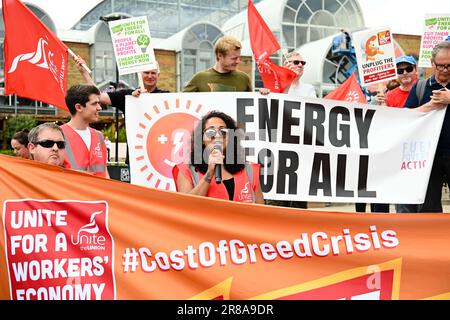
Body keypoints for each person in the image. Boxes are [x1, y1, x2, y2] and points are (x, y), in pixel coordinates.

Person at [75, 56, 169, 164]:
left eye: (153, 73)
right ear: (139, 74)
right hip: (135, 159)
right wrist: (84, 73)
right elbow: (99, 96)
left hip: (161, 157)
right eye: (146, 72)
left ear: (158, 75)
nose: (150, 76)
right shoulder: (127, 96)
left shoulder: (166, 97)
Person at [172, 111, 264, 204]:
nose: (217, 135)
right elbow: (186, 206)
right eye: (210, 132)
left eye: (223, 131)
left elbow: (262, 212)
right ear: (202, 139)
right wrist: (210, 172)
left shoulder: (249, 170)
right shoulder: (186, 170)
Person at [403, 41, 450, 212]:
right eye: (440, 66)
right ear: (432, 64)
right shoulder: (421, 87)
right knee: (429, 206)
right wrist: (430, 106)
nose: (445, 70)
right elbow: (406, 117)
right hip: (428, 155)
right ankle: (433, 238)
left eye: (449, 65)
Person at [62, 84, 110, 178]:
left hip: (99, 191)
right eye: (94, 103)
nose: (99, 108)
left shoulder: (99, 136)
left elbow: (105, 172)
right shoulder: (59, 136)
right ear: (79, 107)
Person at [183, 35, 252, 92]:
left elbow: (254, 105)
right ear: (220, 56)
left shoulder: (244, 79)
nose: (238, 61)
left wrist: (262, 95)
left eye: (239, 57)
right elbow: (181, 101)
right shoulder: (200, 78)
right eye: (234, 58)